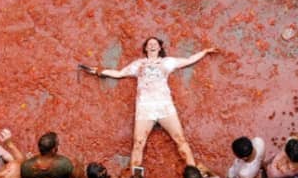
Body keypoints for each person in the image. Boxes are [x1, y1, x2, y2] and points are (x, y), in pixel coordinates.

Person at [85, 37, 218, 170]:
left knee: (180, 139)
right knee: (138, 143)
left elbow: (188, 60)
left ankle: (194, 175)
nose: (152, 45)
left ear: (160, 48)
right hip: (145, 108)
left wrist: (205, 52)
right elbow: (119, 73)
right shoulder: (138, 64)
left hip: (165, 106)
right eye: (149, 44)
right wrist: (99, 71)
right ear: (146, 48)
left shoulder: (168, 62)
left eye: (155, 44)